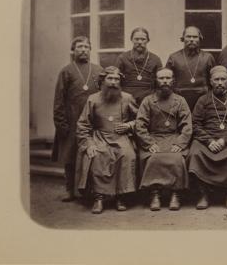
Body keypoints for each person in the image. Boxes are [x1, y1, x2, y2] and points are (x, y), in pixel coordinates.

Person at [75, 66, 139, 214]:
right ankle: (99, 198)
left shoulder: (127, 98)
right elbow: (83, 124)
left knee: (128, 155)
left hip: (121, 137)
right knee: (97, 156)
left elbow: (141, 119)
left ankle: (121, 197)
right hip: (100, 137)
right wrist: (89, 143)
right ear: (102, 81)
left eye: (116, 79)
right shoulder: (93, 99)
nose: (113, 82)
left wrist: (129, 125)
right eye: (110, 78)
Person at [188, 66, 227, 209]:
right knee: (195, 153)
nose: (220, 83)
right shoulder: (203, 100)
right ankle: (203, 195)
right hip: (206, 138)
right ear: (210, 81)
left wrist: (224, 140)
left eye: (223, 79)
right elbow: (195, 124)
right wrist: (209, 141)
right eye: (216, 80)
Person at [51, 36, 103, 202]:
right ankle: (69, 189)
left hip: (93, 119)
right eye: (80, 47)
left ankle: (92, 189)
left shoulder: (98, 70)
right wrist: (61, 124)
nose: (83, 50)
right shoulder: (66, 71)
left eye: (86, 47)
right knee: (70, 155)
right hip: (72, 119)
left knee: (92, 153)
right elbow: (59, 100)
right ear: (73, 50)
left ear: (90, 50)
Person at [135, 68, 193, 211]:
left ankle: (175, 194)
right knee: (153, 157)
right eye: (161, 78)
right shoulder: (148, 101)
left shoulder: (180, 101)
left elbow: (187, 126)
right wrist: (148, 143)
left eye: (168, 78)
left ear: (173, 80)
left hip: (174, 137)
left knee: (177, 158)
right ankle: (155, 194)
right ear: (156, 80)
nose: (165, 81)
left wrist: (180, 143)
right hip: (153, 138)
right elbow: (140, 125)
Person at [165, 26, 216, 111]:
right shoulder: (174, 58)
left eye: (195, 37)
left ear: (200, 38)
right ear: (183, 39)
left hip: (203, 100)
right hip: (179, 100)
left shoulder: (208, 57)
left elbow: (214, 80)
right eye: (188, 36)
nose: (191, 39)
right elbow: (167, 80)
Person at [115, 27, 163, 105]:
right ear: (131, 40)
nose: (140, 42)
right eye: (136, 39)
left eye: (143, 39)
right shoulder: (122, 58)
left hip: (149, 100)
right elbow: (115, 80)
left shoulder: (155, 59)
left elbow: (160, 82)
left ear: (148, 40)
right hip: (127, 99)